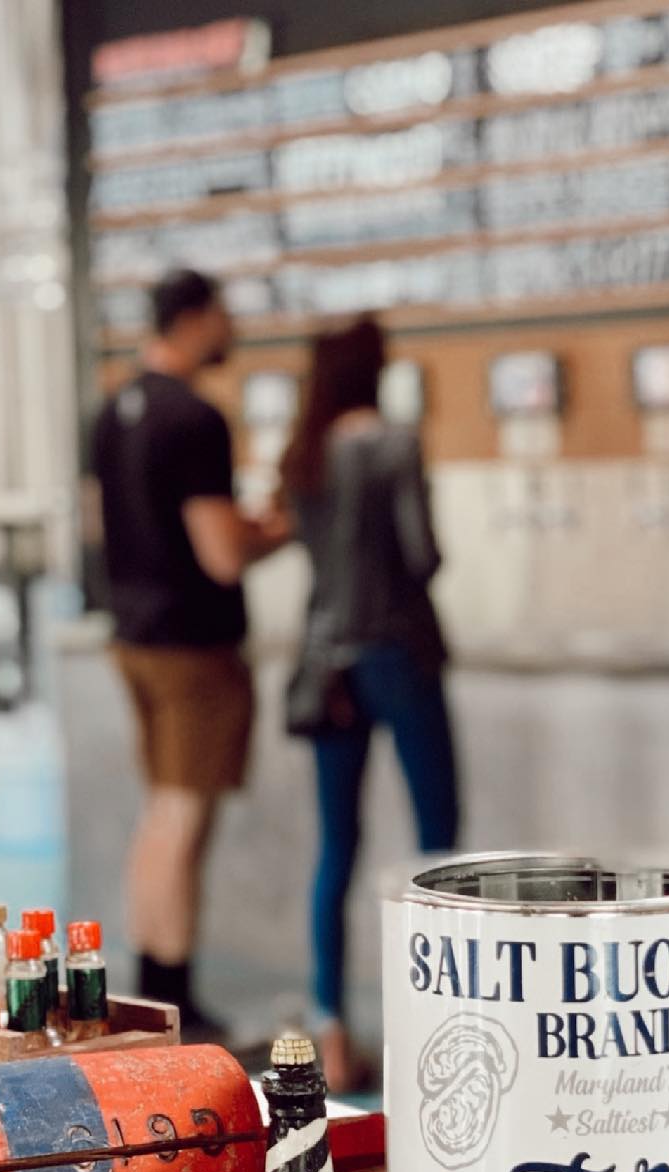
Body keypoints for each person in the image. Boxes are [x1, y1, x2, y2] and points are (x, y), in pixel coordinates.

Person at [90, 269, 289, 1036]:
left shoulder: (113, 410)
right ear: (198, 319)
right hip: (192, 647)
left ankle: (154, 991)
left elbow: (98, 528)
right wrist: (281, 529)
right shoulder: (195, 419)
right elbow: (222, 556)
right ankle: (171, 1004)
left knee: (161, 811)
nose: (230, 329)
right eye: (224, 315)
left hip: (133, 633)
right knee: (181, 814)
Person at [279, 318, 459, 1090]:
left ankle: (332, 1026)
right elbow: (422, 555)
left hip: (328, 668)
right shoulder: (395, 443)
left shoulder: (303, 454)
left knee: (337, 850)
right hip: (400, 656)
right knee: (437, 849)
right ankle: (438, 1023)